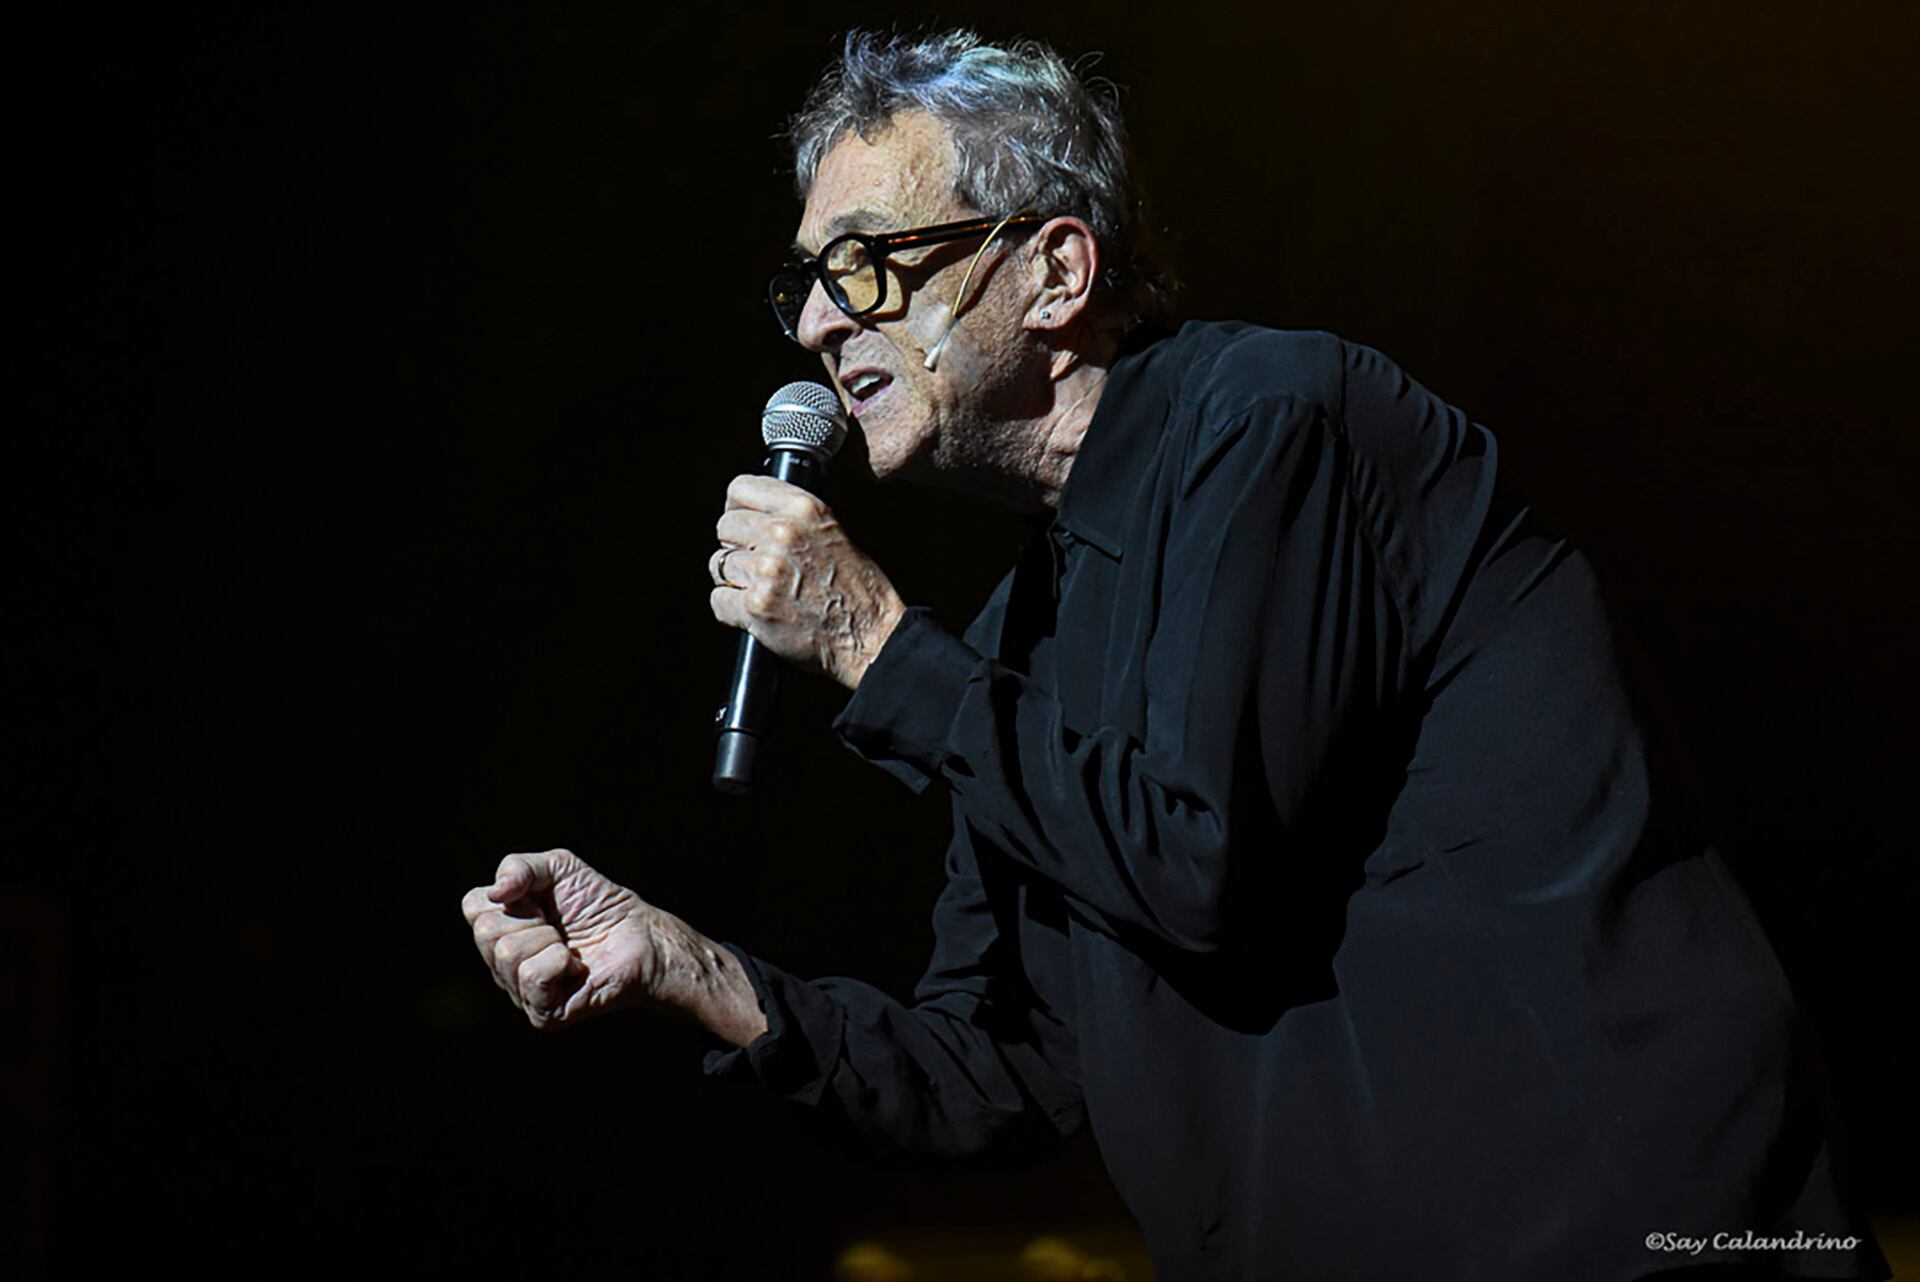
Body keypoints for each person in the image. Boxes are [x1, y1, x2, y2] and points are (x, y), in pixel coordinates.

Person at [460, 30, 1887, 1282]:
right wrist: (685, 964)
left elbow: (1204, 861)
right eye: (807, 286)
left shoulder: (1274, 426)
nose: (825, 320)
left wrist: (868, 638)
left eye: (867, 266)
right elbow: (998, 1066)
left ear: (1056, 269)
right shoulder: (1029, 628)